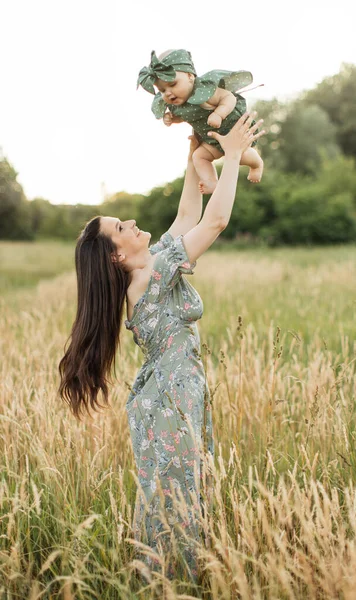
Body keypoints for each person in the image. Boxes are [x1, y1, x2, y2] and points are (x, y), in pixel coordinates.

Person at [58, 111, 265, 583]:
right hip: (169, 400)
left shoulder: (151, 265)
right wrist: (232, 156)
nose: (132, 222)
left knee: (176, 496)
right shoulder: (148, 277)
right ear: (116, 254)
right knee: (174, 501)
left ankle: (166, 584)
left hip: (173, 394)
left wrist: (195, 152)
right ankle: (167, 586)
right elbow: (214, 222)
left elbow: (189, 213)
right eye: (121, 227)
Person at [137, 49, 264, 194]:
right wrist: (173, 119)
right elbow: (185, 117)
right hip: (211, 142)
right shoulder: (176, 105)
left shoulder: (204, 91)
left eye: (172, 84)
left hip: (233, 135)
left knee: (242, 157)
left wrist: (219, 113)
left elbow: (229, 98)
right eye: (162, 90)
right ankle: (211, 182)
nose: (168, 92)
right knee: (198, 157)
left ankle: (257, 165)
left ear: (190, 76)